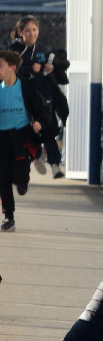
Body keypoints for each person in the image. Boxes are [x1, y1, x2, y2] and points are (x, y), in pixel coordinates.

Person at [8, 16, 67, 178]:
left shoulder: (43, 49)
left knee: (47, 128)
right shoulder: (14, 49)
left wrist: (50, 68)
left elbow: (51, 66)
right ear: (21, 33)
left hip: (44, 96)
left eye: (34, 30)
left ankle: (55, 165)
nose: (32, 34)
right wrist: (28, 68)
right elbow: (9, 70)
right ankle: (34, 156)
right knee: (27, 130)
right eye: (28, 30)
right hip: (23, 97)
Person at [0, 49, 51, 232]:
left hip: (21, 136)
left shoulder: (26, 87)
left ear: (12, 68)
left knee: (18, 176)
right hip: (2, 138)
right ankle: (9, 218)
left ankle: (23, 180)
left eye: (1, 65)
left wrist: (39, 122)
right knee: (3, 177)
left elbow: (43, 108)